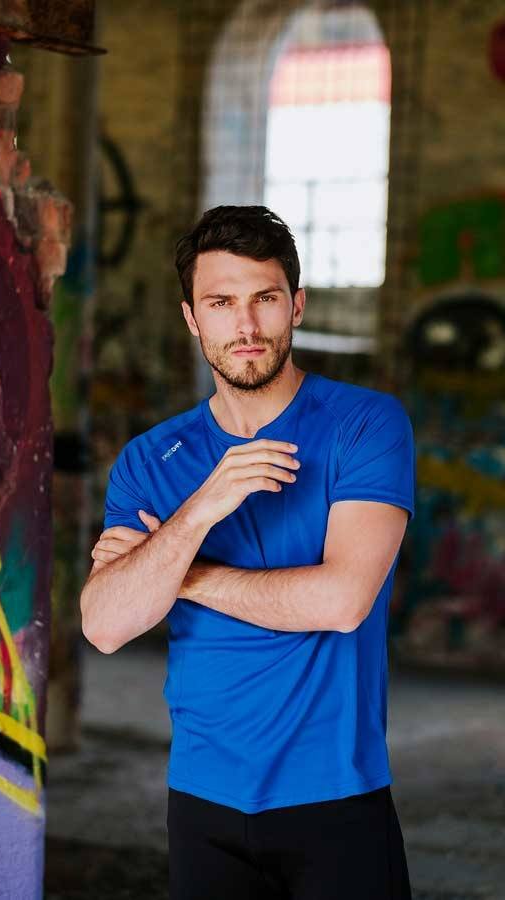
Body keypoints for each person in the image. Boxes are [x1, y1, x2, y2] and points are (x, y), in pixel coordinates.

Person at [80, 205, 416, 899]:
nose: (247, 325)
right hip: (202, 797)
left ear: (297, 306)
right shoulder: (149, 460)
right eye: (221, 303)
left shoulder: (364, 423)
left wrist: (181, 572)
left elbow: (343, 600)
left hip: (336, 794)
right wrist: (203, 506)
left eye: (265, 298)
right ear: (191, 319)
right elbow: (105, 624)